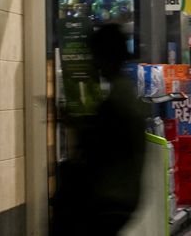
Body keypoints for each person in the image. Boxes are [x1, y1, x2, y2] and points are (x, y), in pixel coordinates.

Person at [52, 23, 147, 236]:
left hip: (109, 197)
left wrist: (75, 125)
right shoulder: (126, 92)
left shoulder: (117, 99)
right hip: (124, 196)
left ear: (107, 56)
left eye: (96, 56)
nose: (95, 63)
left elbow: (100, 144)